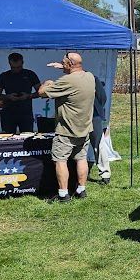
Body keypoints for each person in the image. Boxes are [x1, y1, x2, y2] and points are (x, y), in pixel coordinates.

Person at [37, 52, 97, 203]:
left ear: (70, 64)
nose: (61, 65)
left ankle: (63, 194)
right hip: (84, 128)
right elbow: (77, 70)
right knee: (81, 158)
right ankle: (81, 190)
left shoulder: (66, 81)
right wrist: (64, 67)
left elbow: (41, 93)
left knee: (60, 160)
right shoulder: (89, 76)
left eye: (63, 63)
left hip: (67, 130)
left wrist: (47, 83)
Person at [0, 53, 42, 134]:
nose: (16, 69)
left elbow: (40, 92)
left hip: (25, 113)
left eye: (19, 67)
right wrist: (8, 97)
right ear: (9, 63)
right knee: (7, 138)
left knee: (27, 138)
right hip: (8, 114)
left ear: (22, 62)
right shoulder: (4, 76)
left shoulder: (30, 74)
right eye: (13, 67)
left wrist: (28, 96)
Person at [89, 75, 111, 184]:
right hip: (92, 116)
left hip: (91, 116)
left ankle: (105, 174)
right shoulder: (92, 78)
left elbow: (102, 98)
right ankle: (105, 174)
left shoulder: (93, 78)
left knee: (98, 144)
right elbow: (102, 97)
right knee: (98, 144)